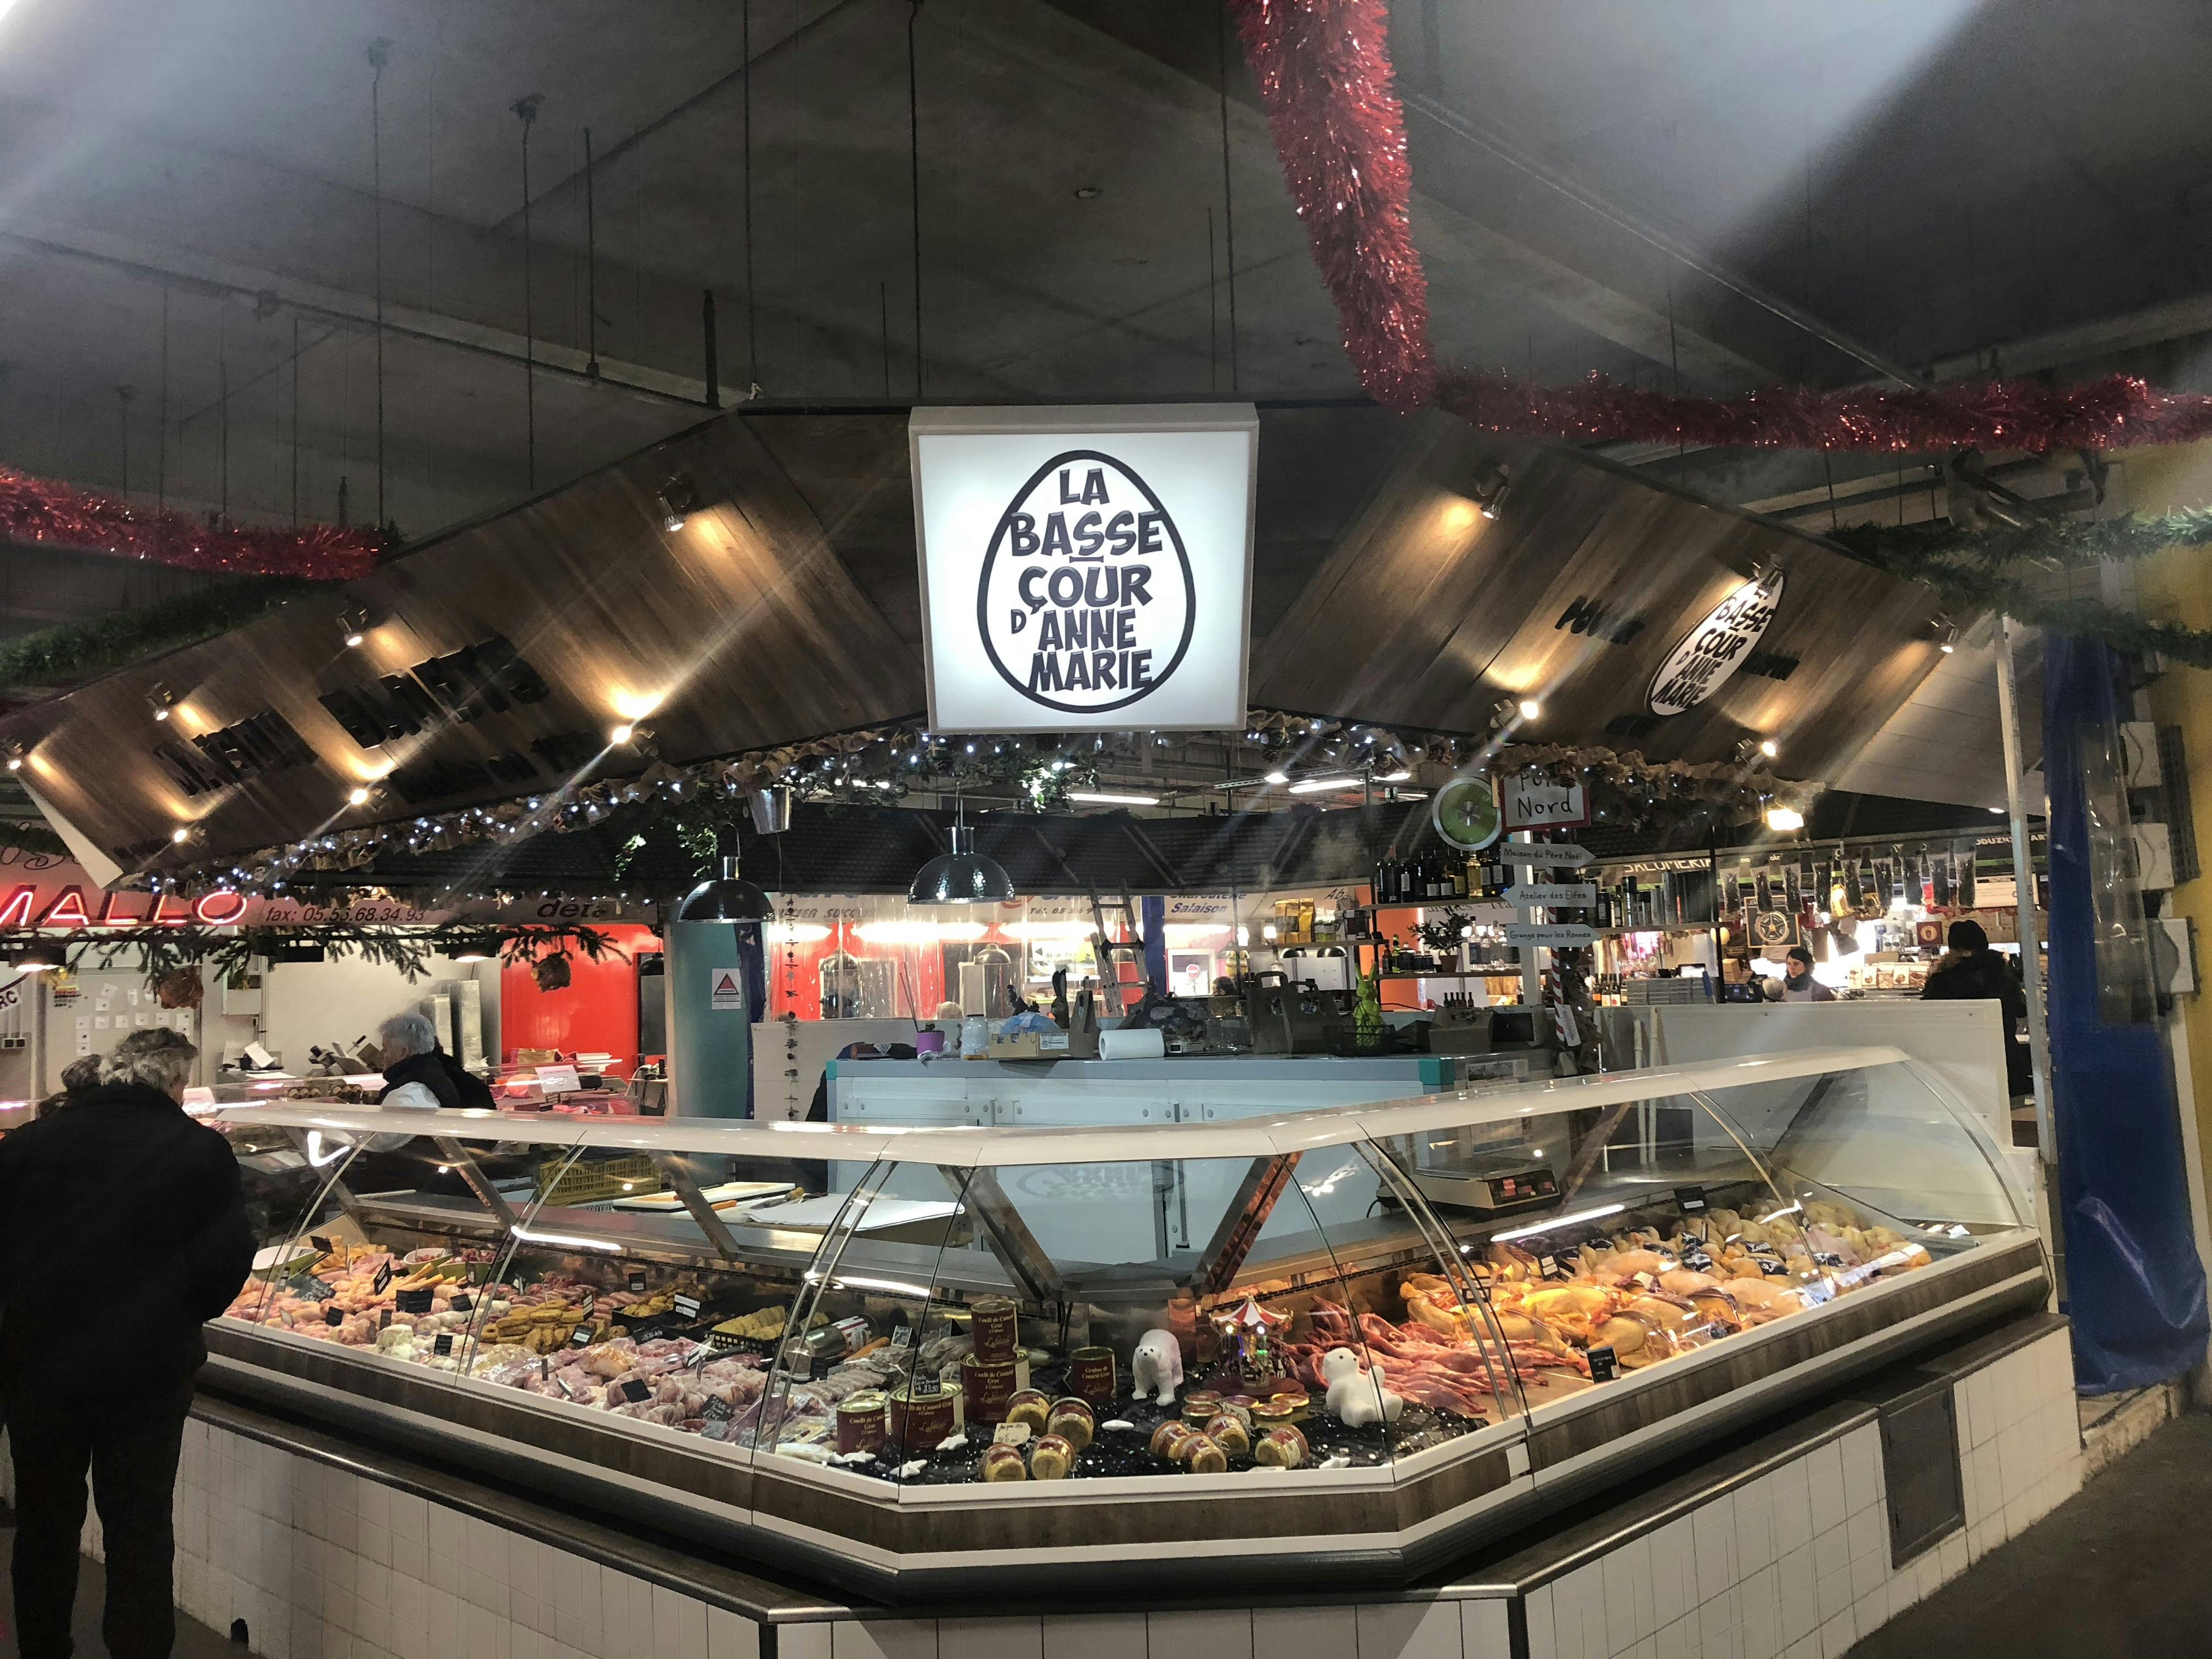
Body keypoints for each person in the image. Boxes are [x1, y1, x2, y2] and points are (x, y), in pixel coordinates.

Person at [0, 1028, 254, 1659]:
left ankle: (42, 1648)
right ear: (174, 1082)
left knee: (44, 1521)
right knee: (140, 1525)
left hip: (39, 1367)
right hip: (148, 1372)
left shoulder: (27, 1144)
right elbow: (230, 1257)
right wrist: (180, 1312)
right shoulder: (200, 1151)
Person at [1922, 918, 2033, 1097]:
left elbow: (1927, 1017)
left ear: (1953, 948)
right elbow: (2021, 1009)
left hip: (1959, 1063)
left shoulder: (1942, 979)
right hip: (2003, 1057)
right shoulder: (2002, 973)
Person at [373, 1010, 487, 1110]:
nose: (381, 1055)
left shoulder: (404, 1098)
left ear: (403, 1052)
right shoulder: (438, 1075)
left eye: (385, 1049)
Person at [1763, 946, 1836, 1002]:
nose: (1791, 968)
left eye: (1796, 964)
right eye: (1789, 964)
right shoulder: (1778, 990)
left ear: (1807, 966)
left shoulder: (1820, 992)